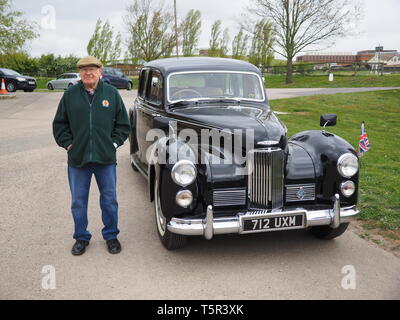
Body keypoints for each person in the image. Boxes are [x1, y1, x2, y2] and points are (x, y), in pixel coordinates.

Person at [52, 56, 131, 256]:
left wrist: (113, 143)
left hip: (105, 159)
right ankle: (81, 237)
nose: (88, 73)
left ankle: (111, 236)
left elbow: (123, 124)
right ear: (80, 73)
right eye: (84, 70)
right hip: (78, 160)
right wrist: (69, 144)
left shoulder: (111, 94)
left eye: (92, 69)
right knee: (78, 201)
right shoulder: (70, 95)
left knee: (109, 199)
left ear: (99, 72)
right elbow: (60, 124)